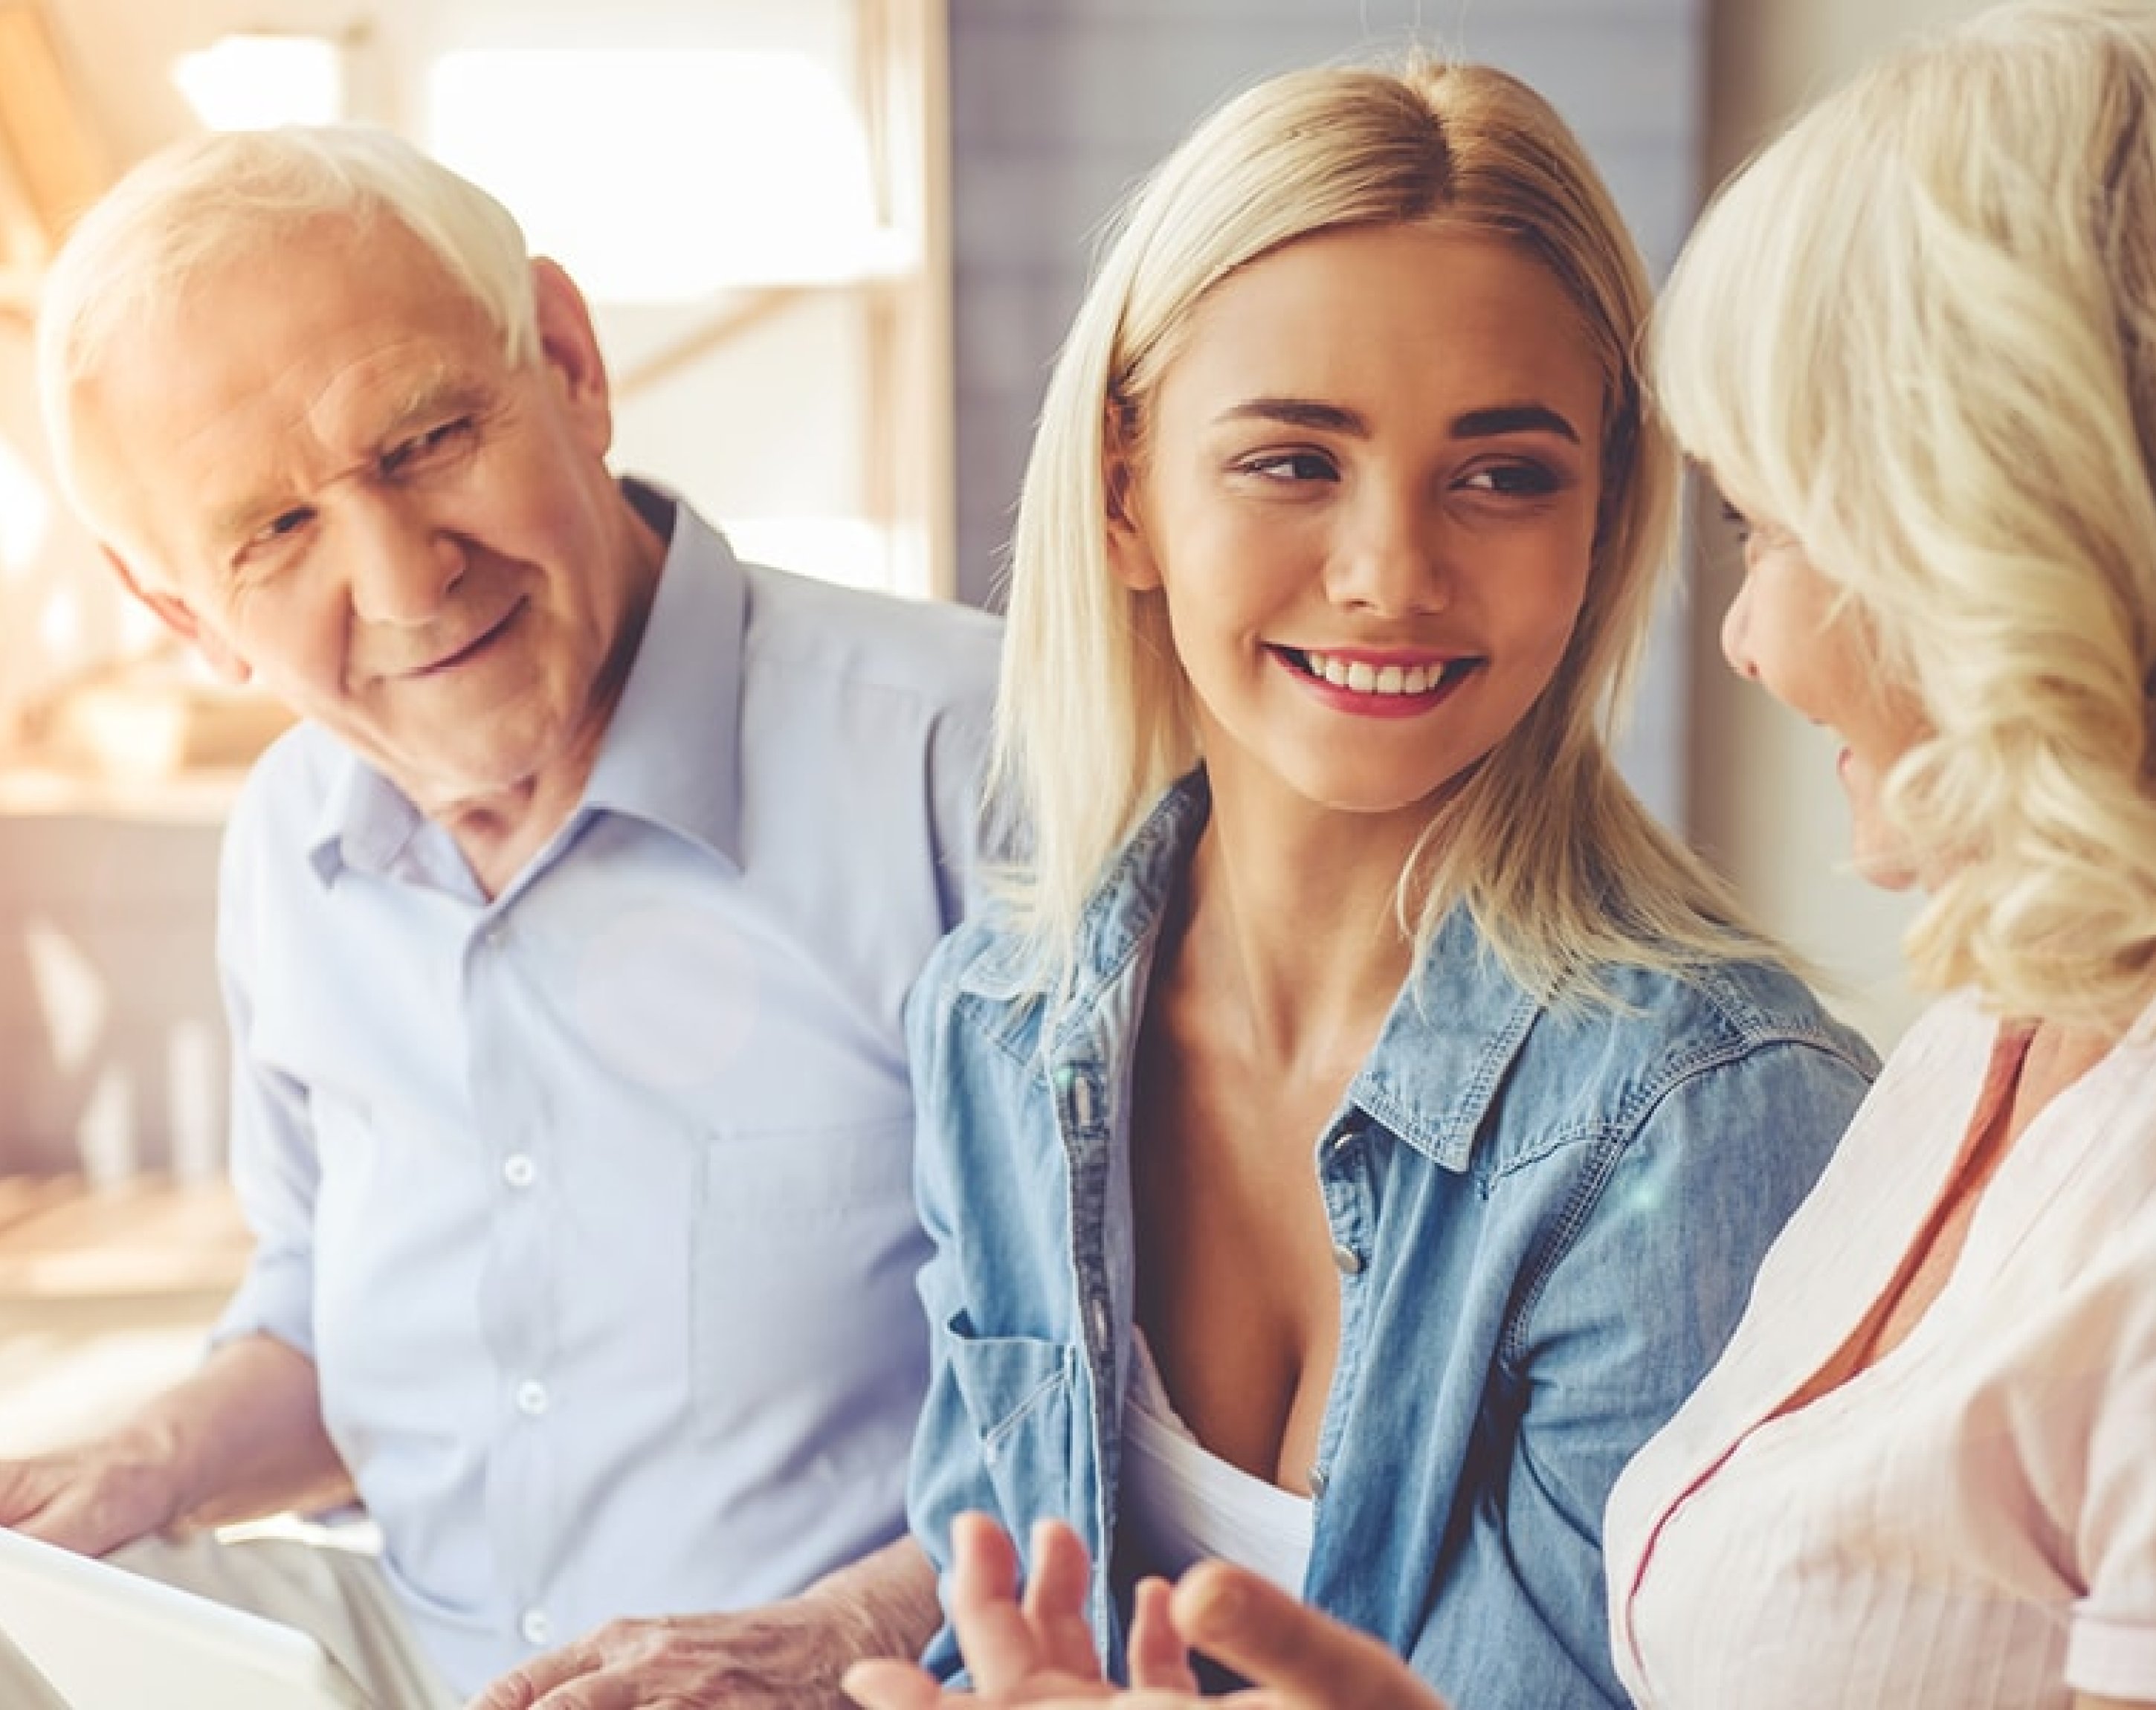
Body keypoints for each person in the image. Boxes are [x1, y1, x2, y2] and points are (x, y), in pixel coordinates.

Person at [906, 4, 2156, 1707]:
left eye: (1501, 473)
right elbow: (986, 1588)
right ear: (1122, 489)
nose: (1387, 571)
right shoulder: (997, 1013)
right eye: (1292, 457)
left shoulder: (1708, 1107)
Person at [8, 125, 1001, 1709]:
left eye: (426, 439)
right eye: (273, 533)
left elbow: (1158, 1409)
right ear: (181, 613)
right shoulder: (287, 840)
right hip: (409, 1661)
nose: (405, 580)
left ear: (569, 362)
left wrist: (832, 1645)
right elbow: (340, 1331)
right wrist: (140, 1464)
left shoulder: (968, 763)